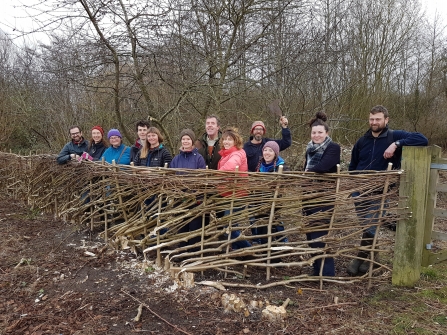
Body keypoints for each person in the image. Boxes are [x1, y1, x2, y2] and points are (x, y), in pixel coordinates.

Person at [347, 105, 428, 276]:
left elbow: (422, 139)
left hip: (380, 191)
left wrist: (396, 144)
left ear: (386, 119)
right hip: (360, 191)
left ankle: (359, 259)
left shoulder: (394, 136)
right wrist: (354, 183)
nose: (374, 122)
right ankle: (374, 261)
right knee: (367, 227)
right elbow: (353, 165)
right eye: (371, 119)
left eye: (377, 119)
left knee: (370, 226)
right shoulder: (362, 141)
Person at [303, 111, 340, 277]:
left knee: (320, 235)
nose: (316, 135)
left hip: (323, 197)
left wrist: (306, 174)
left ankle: (327, 274)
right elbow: (307, 168)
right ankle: (317, 270)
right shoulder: (309, 149)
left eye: (320, 132)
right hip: (308, 196)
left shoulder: (333, 148)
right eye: (313, 132)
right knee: (310, 235)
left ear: (327, 133)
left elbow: (324, 167)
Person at [170, 129, 207, 253]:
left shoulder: (199, 158)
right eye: (183, 139)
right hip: (180, 199)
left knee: (194, 226)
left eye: (188, 139)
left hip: (194, 199)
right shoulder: (176, 159)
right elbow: (171, 177)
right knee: (182, 226)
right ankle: (182, 252)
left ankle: (193, 253)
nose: (185, 141)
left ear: (192, 141)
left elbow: (202, 179)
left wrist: (194, 193)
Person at [218, 127, 251, 250]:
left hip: (237, 195)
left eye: (229, 140)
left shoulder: (237, 153)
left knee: (228, 225)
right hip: (228, 194)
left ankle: (247, 249)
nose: (226, 142)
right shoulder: (226, 154)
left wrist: (215, 175)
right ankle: (239, 250)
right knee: (232, 225)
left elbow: (231, 167)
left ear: (235, 141)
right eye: (224, 139)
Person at [252, 141, 289, 247]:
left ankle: (281, 243)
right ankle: (264, 247)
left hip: (273, 203)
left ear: (275, 153)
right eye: (265, 150)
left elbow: (285, 181)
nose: (267, 153)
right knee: (261, 225)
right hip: (259, 202)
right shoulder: (260, 164)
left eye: (270, 151)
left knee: (274, 223)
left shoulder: (281, 167)